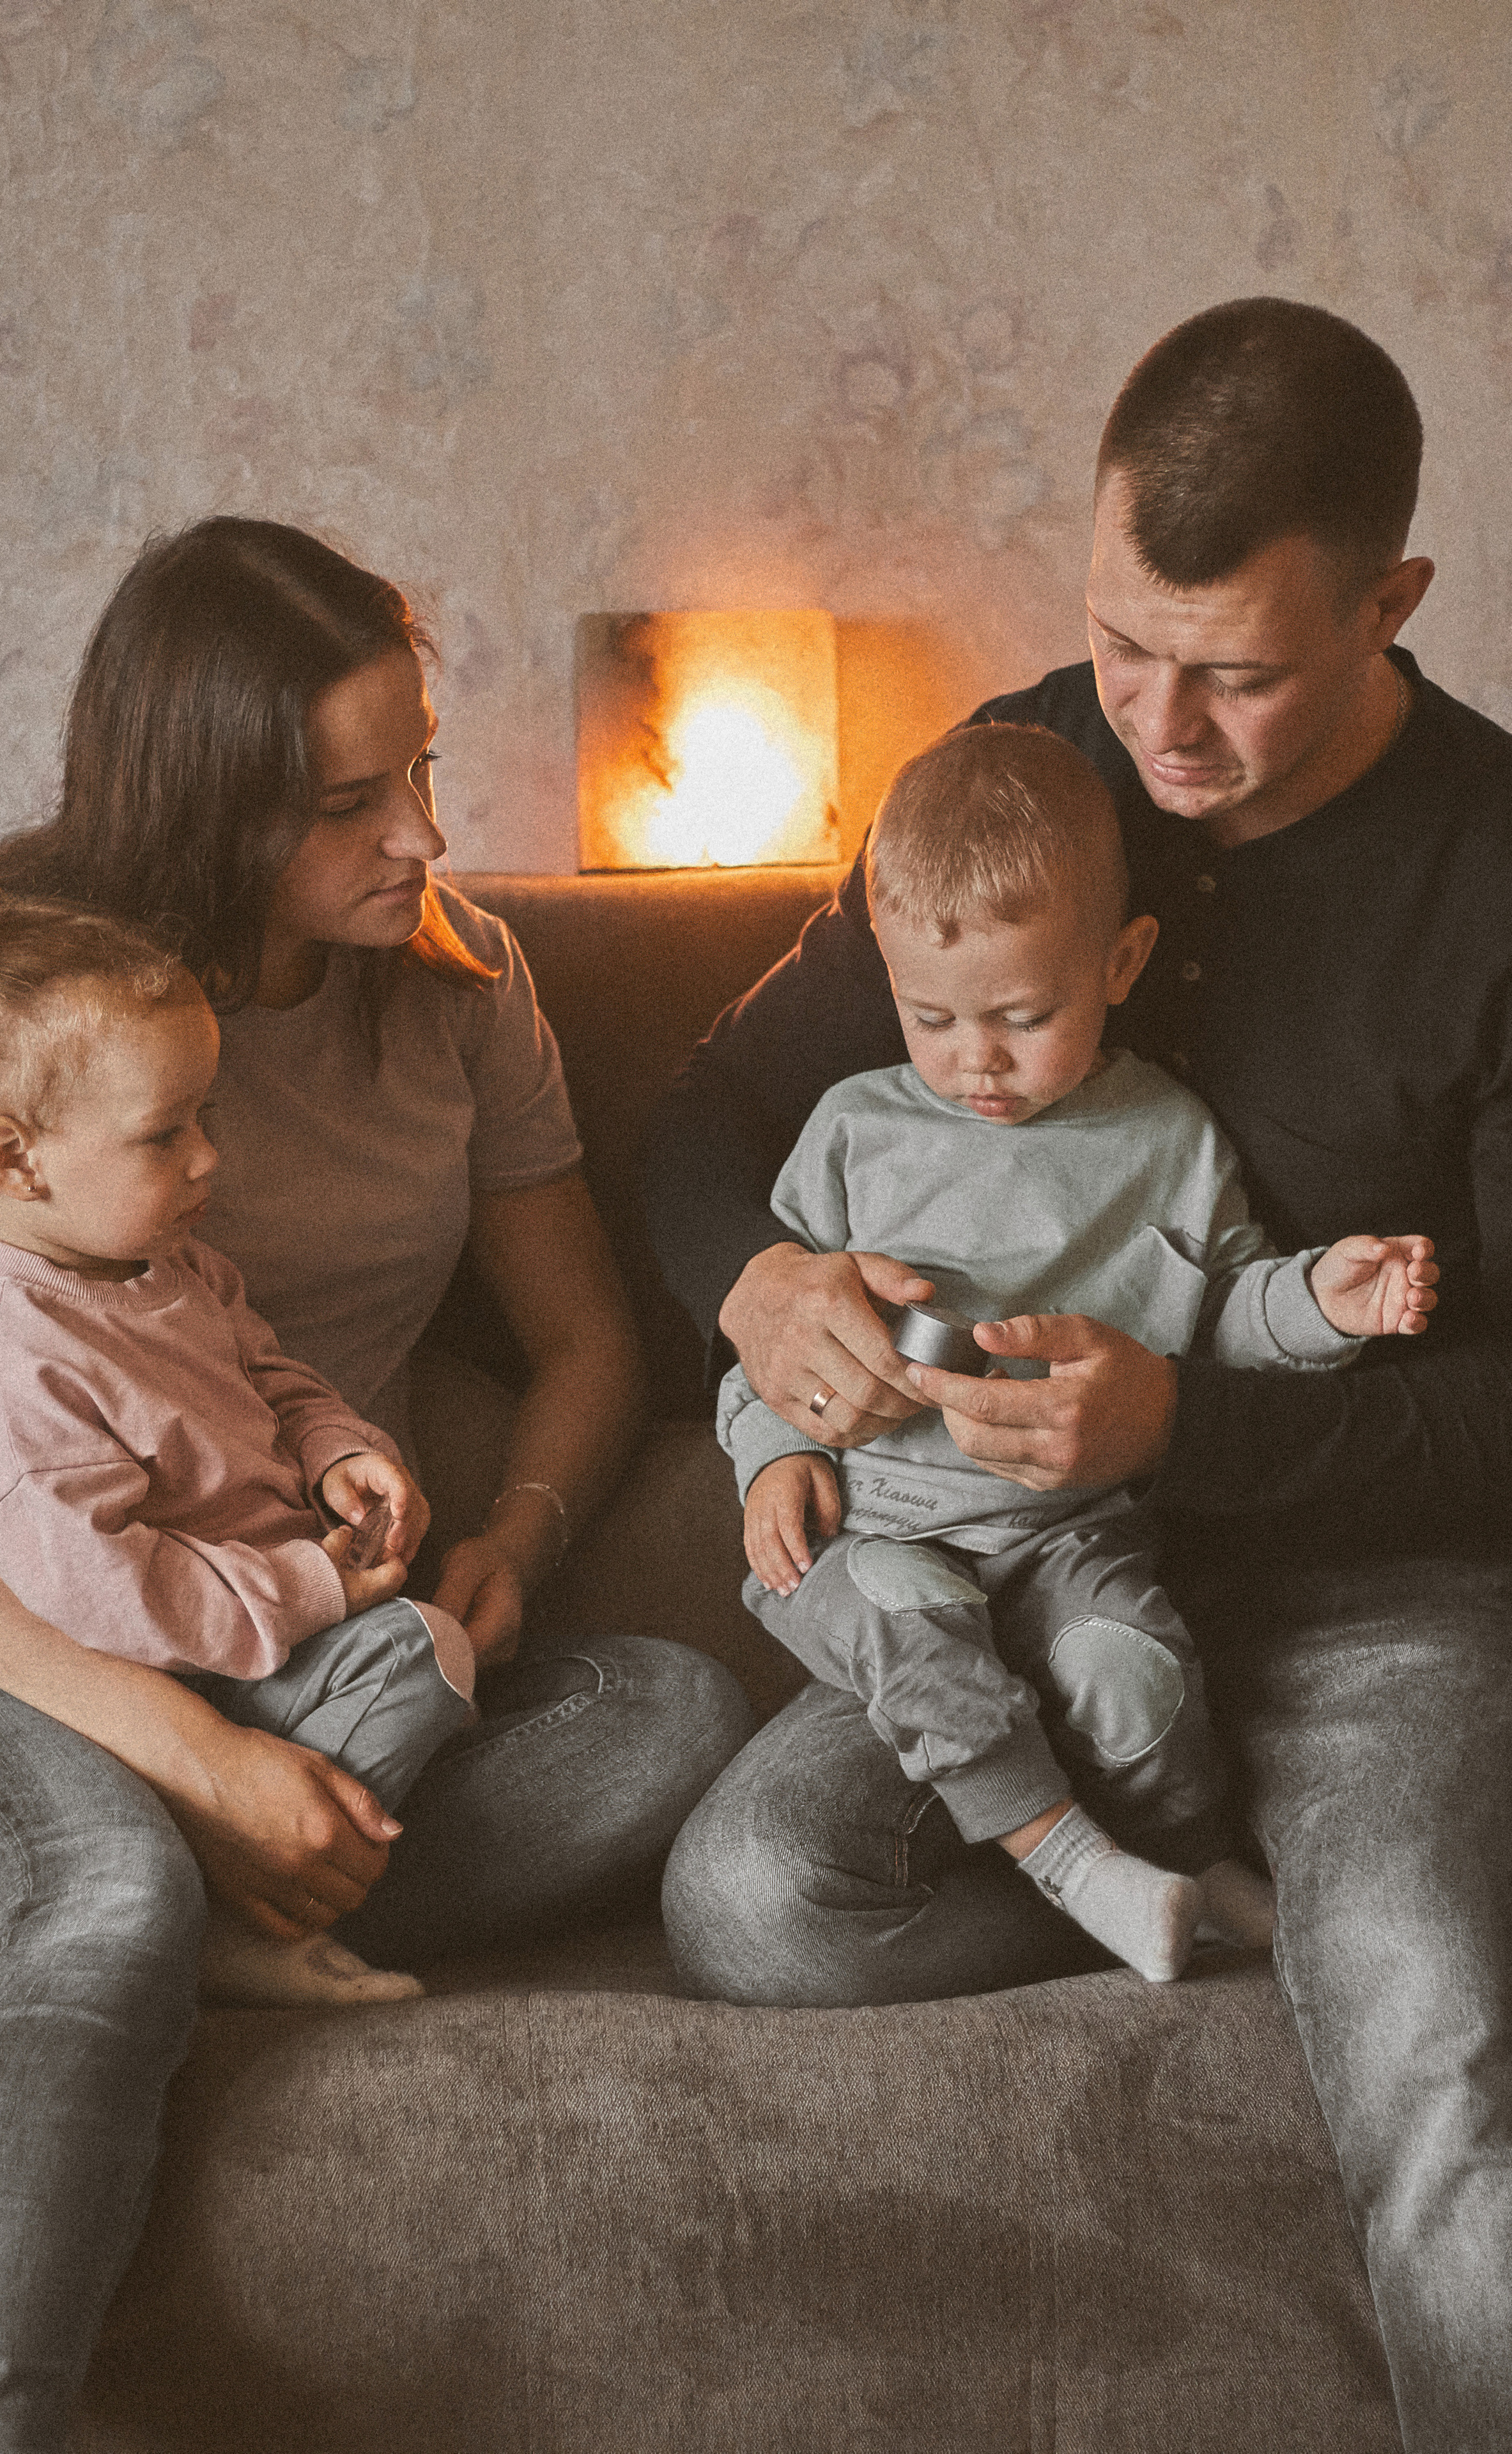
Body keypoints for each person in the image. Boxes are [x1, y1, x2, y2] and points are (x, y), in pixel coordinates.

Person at [647, 298, 1512, 2454]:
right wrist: (756, 1290)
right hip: (992, 1561)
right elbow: (687, 1129)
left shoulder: (1494, 867)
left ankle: (1315, 1911)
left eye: (1235, 671)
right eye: (1127, 640)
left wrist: (1189, 1423)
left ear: (1394, 600)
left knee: (1428, 2043)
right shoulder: (1031, 769)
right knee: (754, 1897)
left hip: (1365, 1590)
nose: (1160, 723)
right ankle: (1176, 1888)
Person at [0, 516, 754, 2453]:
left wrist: (509, 1537)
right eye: (356, 801)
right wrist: (190, 1768)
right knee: (106, 1895)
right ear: (210, 806)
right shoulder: (20, 1006)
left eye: (422, 768)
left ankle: (121, 1886)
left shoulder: (462, 983)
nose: (427, 835)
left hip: (290, 1621)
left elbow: (589, 1345)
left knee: (671, 1715)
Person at [719, 721, 1435, 1984]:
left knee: (1135, 1677)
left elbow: (1224, 1317)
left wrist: (1327, 1302)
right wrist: (774, 1457)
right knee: (916, 1634)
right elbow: (761, 1353)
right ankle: (1072, 1866)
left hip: (1069, 1532)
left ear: (1120, 963)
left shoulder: (1166, 1136)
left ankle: (1186, 1860)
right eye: (928, 1016)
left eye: (1020, 1015)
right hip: (875, 1531)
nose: (973, 1060)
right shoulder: (851, 1132)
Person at [0, 890, 491, 2007]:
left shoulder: (177, 1269)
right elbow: (105, 1595)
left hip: (261, 1644)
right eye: (167, 1134)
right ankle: (220, 1921)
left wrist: (336, 1453)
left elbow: (270, 1375)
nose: (210, 1159)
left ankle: (95, 1928)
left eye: (204, 1117)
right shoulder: (16, 1357)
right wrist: (310, 1584)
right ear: (14, 1162)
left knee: (492, 1672)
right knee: (426, 1654)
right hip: (166, 1683)